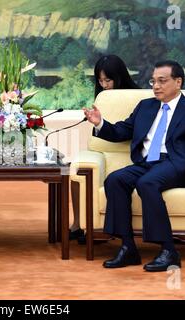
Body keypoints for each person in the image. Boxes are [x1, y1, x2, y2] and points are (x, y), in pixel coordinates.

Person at [83, 60, 185, 271]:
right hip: (147, 162)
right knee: (115, 180)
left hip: (176, 163)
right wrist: (99, 123)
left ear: (178, 82)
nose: (156, 86)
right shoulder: (145, 106)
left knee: (147, 183)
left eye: (162, 81)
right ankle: (128, 248)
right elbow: (122, 131)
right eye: (153, 81)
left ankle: (168, 250)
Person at [70, 55, 139, 242]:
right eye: (100, 81)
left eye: (108, 80)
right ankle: (80, 224)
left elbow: (127, 130)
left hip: (131, 154)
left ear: (120, 77)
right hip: (105, 152)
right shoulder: (101, 98)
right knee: (77, 175)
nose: (104, 85)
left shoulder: (139, 98)